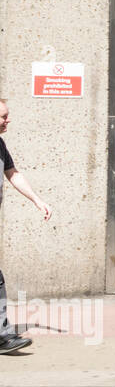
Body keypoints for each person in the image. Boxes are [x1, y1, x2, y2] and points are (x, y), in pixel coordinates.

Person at [0, 100, 52, 354]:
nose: (7, 120)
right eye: (3, 116)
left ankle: (2, 336)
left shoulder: (0, 144)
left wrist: (37, 200)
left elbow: (12, 173)